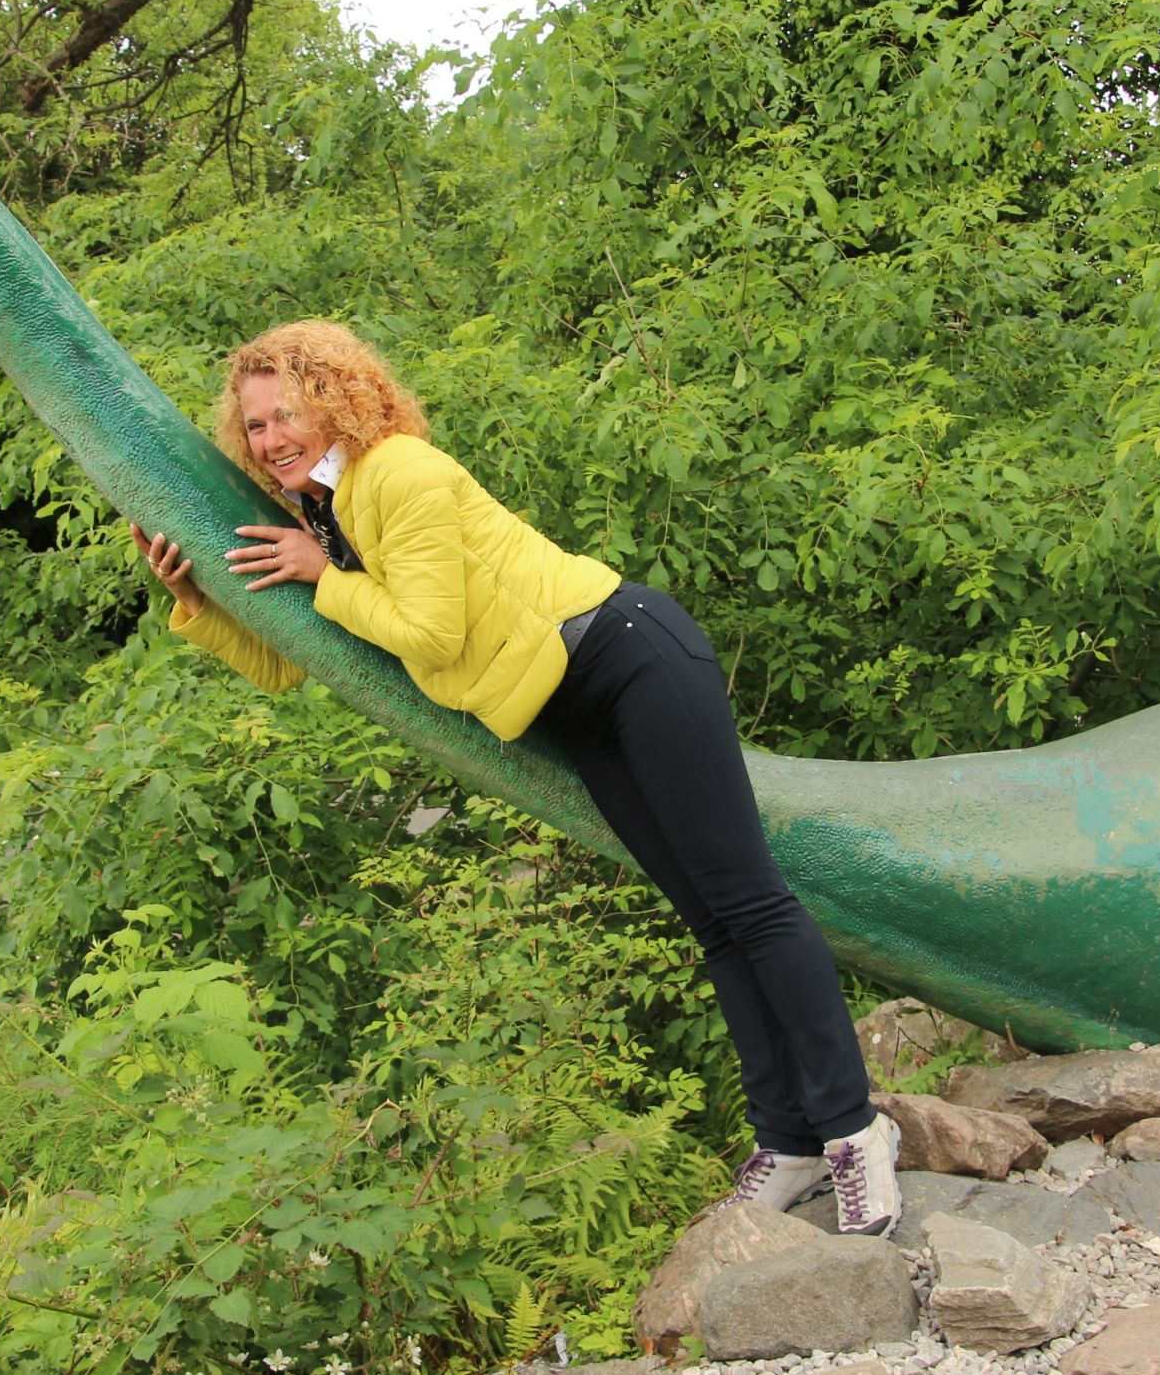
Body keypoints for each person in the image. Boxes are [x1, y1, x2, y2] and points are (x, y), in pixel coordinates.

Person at [129, 319, 900, 1234]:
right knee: (713, 922)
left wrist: (318, 574)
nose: (269, 440)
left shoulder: (399, 473)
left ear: (337, 400)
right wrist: (195, 602)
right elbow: (288, 666)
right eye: (253, 426)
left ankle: (855, 1132)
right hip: (577, 704)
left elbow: (432, 632)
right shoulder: (325, 516)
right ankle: (790, 1139)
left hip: (630, 660)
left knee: (752, 903)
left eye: (285, 414)